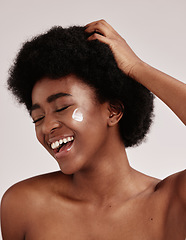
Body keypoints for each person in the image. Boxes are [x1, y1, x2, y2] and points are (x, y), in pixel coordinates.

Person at [1, 19, 185, 240]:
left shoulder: (172, 202)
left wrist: (137, 68)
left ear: (113, 111)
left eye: (62, 107)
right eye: (37, 117)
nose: (47, 126)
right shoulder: (23, 205)